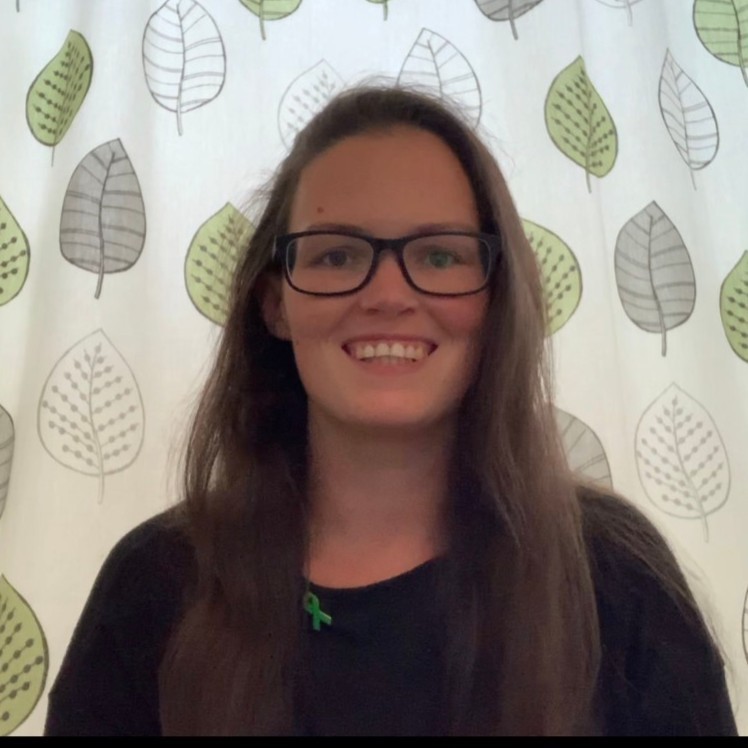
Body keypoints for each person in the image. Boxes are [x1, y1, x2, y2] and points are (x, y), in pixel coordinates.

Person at [44, 84, 737, 736]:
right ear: (275, 302)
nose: (387, 295)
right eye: (337, 256)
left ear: (498, 298)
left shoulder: (614, 577)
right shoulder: (154, 585)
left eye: (439, 256)